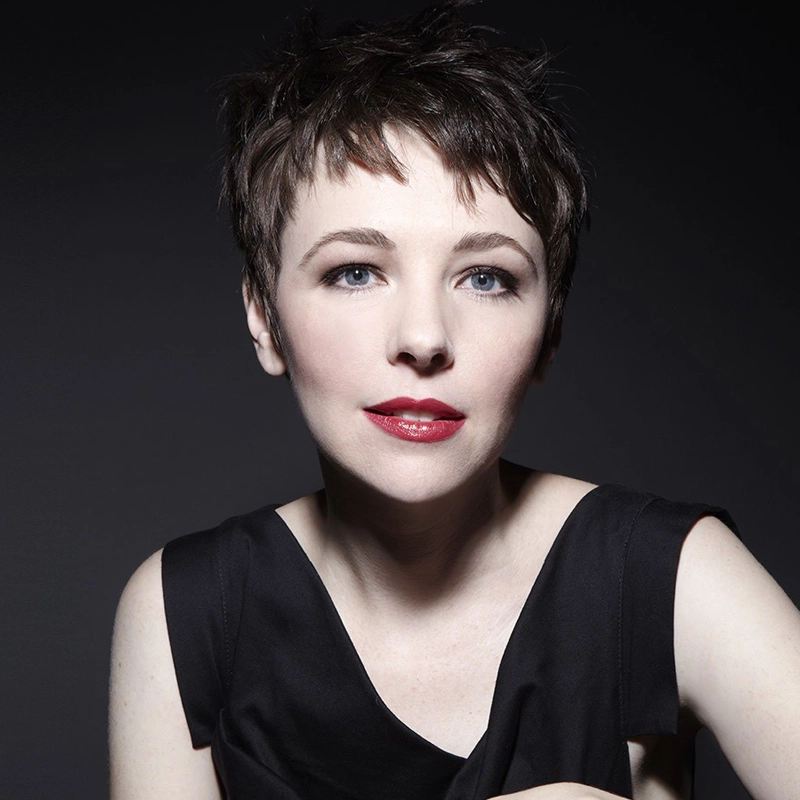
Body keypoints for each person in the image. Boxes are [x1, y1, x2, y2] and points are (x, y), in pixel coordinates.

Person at [108, 3, 800, 798]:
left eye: (487, 277)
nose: (425, 336)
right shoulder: (187, 611)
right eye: (355, 271)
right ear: (264, 318)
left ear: (548, 331)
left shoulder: (668, 574)